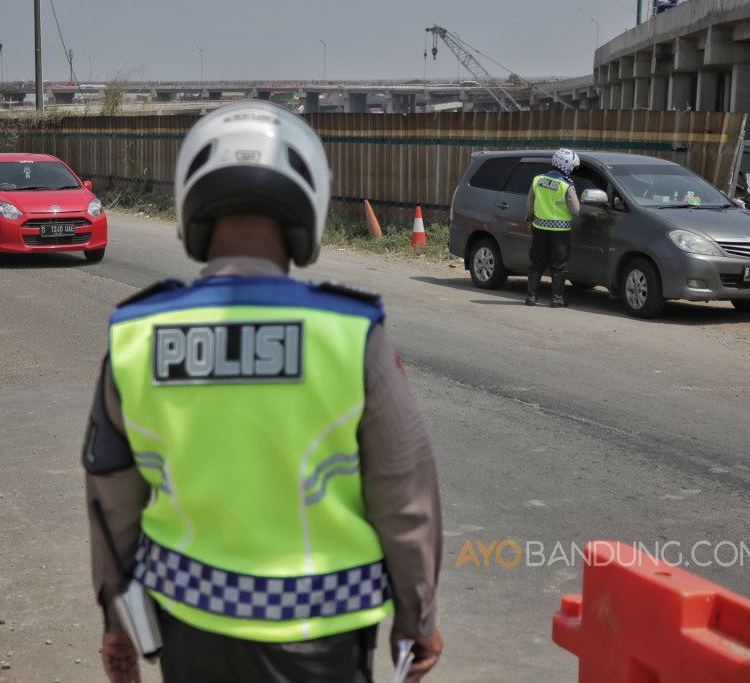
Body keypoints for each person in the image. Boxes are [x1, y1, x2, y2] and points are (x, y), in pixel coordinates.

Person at [82, 100, 443, 683]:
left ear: (192, 204)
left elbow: (110, 504)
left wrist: (117, 621)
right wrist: (417, 617)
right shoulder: (350, 335)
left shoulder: (135, 336)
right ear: (307, 206)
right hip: (324, 643)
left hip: (188, 634)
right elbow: (405, 497)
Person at [525, 148, 582, 308]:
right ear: (567, 166)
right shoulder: (566, 185)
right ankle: (557, 299)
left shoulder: (537, 180)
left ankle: (531, 297)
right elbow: (575, 209)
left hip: (539, 229)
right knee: (558, 265)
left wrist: (529, 220)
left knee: (536, 262)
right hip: (560, 233)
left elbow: (529, 205)